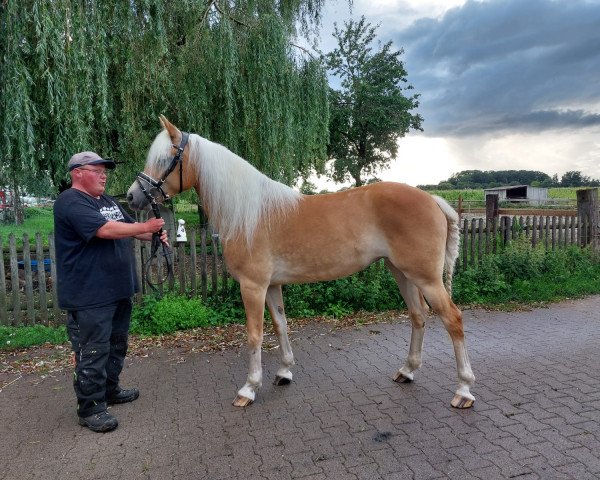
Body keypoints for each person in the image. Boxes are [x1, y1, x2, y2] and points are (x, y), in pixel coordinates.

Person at [54, 151, 168, 433]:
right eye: (98, 170)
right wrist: (145, 226)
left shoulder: (106, 201)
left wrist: (152, 233)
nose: (104, 174)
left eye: (105, 171)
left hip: (118, 289)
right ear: (77, 173)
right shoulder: (69, 201)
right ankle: (90, 408)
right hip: (89, 295)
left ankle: (109, 390)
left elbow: (129, 228)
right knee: (92, 349)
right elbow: (104, 230)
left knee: (117, 344)